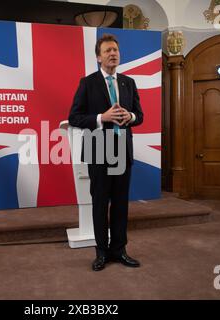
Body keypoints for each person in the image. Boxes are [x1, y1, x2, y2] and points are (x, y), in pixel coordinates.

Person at [68, 34, 144, 271]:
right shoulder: (87, 83)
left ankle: (119, 250)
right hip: (98, 151)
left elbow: (139, 116)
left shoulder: (128, 83)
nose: (113, 54)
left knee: (121, 204)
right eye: (108, 50)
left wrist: (128, 117)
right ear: (99, 56)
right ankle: (101, 253)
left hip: (123, 152)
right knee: (100, 203)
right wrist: (103, 117)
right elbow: (75, 117)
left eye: (116, 50)